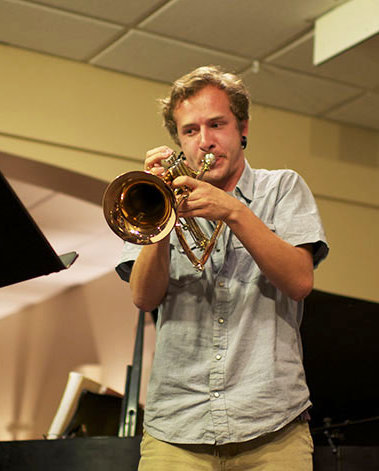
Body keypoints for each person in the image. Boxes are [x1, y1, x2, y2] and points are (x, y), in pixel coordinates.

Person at [115, 65, 329, 470]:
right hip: (176, 428)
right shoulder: (158, 195)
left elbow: (300, 281)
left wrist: (233, 211)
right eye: (190, 131)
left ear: (242, 127)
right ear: (178, 140)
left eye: (217, 125)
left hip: (272, 424)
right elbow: (144, 297)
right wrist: (159, 220)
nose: (205, 142)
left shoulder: (282, 188)